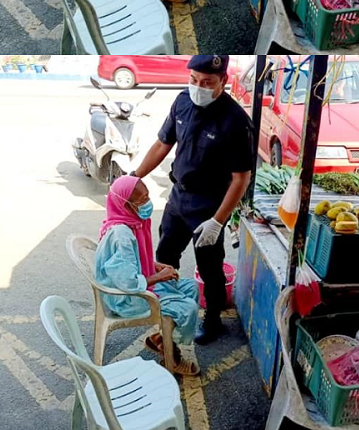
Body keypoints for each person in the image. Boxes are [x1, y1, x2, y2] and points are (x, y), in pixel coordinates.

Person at [132, 55, 254, 344]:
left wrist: (217, 222)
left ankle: (213, 321)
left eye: (207, 82)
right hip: (178, 198)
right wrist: (134, 176)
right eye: (194, 80)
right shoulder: (182, 102)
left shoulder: (236, 121)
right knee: (164, 259)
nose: (198, 87)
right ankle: (167, 312)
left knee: (210, 269)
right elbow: (163, 143)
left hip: (210, 205)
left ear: (223, 81)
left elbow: (241, 179)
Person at [95, 175, 200, 375]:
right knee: (188, 308)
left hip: (134, 283)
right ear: (126, 205)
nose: (148, 203)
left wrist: (157, 266)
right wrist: (160, 277)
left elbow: (132, 263)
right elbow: (128, 282)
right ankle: (172, 355)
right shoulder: (122, 235)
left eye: (147, 196)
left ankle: (163, 338)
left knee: (190, 287)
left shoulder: (128, 223)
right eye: (141, 200)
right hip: (126, 298)